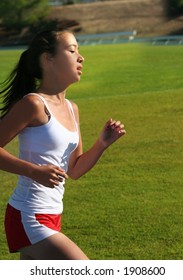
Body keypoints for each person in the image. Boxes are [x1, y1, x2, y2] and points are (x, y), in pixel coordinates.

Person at [0, 29, 126, 260]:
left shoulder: (72, 108)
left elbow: (74, 169)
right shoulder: (33, 104)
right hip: (28, 214)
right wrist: (34, 171)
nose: (81, 57)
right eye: (72, 50)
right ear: (48, 59)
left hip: (53, 214)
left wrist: (101, 144)